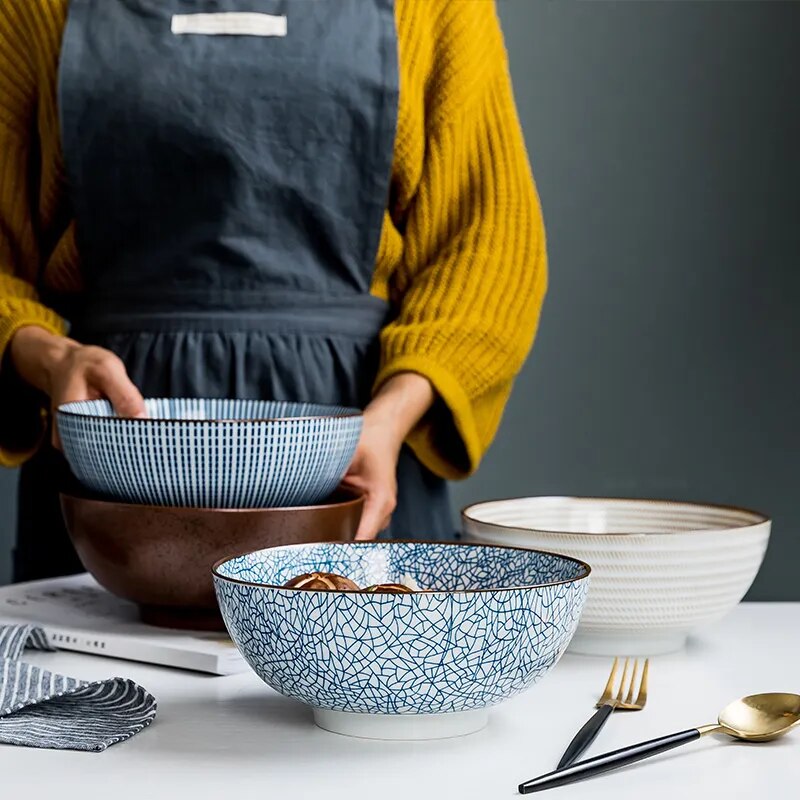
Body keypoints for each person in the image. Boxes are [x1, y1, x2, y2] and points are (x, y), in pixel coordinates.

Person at [0, 0, 547, 583]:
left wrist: (392, 417)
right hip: (112, 459)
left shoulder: (434, 9)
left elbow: (486, 246)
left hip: (357, 454)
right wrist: (50, 356)